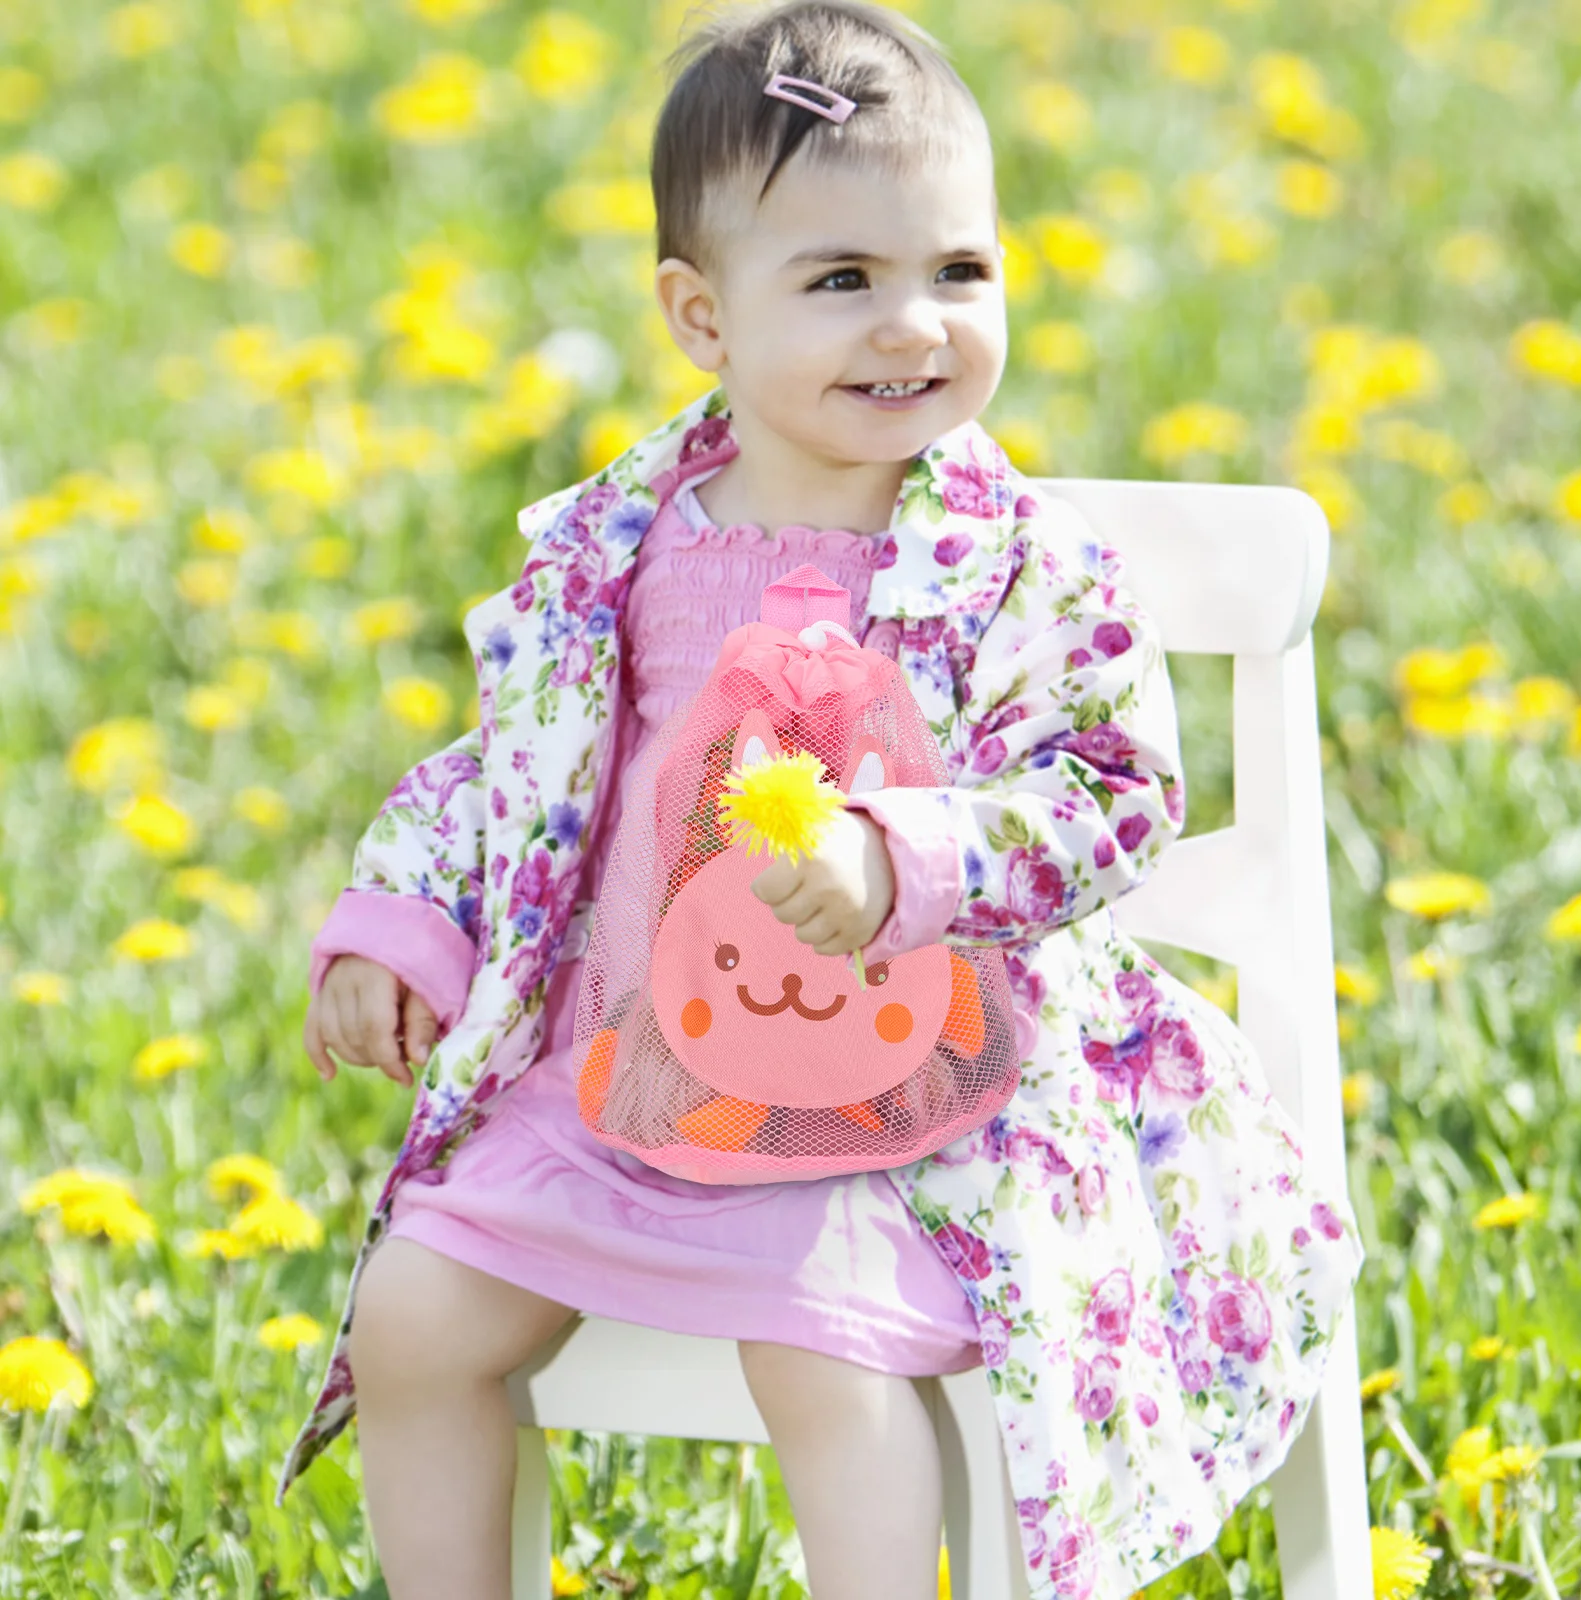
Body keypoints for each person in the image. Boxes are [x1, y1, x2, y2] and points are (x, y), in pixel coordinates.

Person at [275, 4, 1365, 1598]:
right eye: (846, 280)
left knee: (823, 1356)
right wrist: (401, 927)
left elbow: (1114, 793)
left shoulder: (1026, 565)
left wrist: (909, 852)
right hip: (632, 1079)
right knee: (415, 1313)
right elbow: (512, 779)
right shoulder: (618, 550)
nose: (914, 324)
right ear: (701, 316)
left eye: (959, 273)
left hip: (907, 1100)